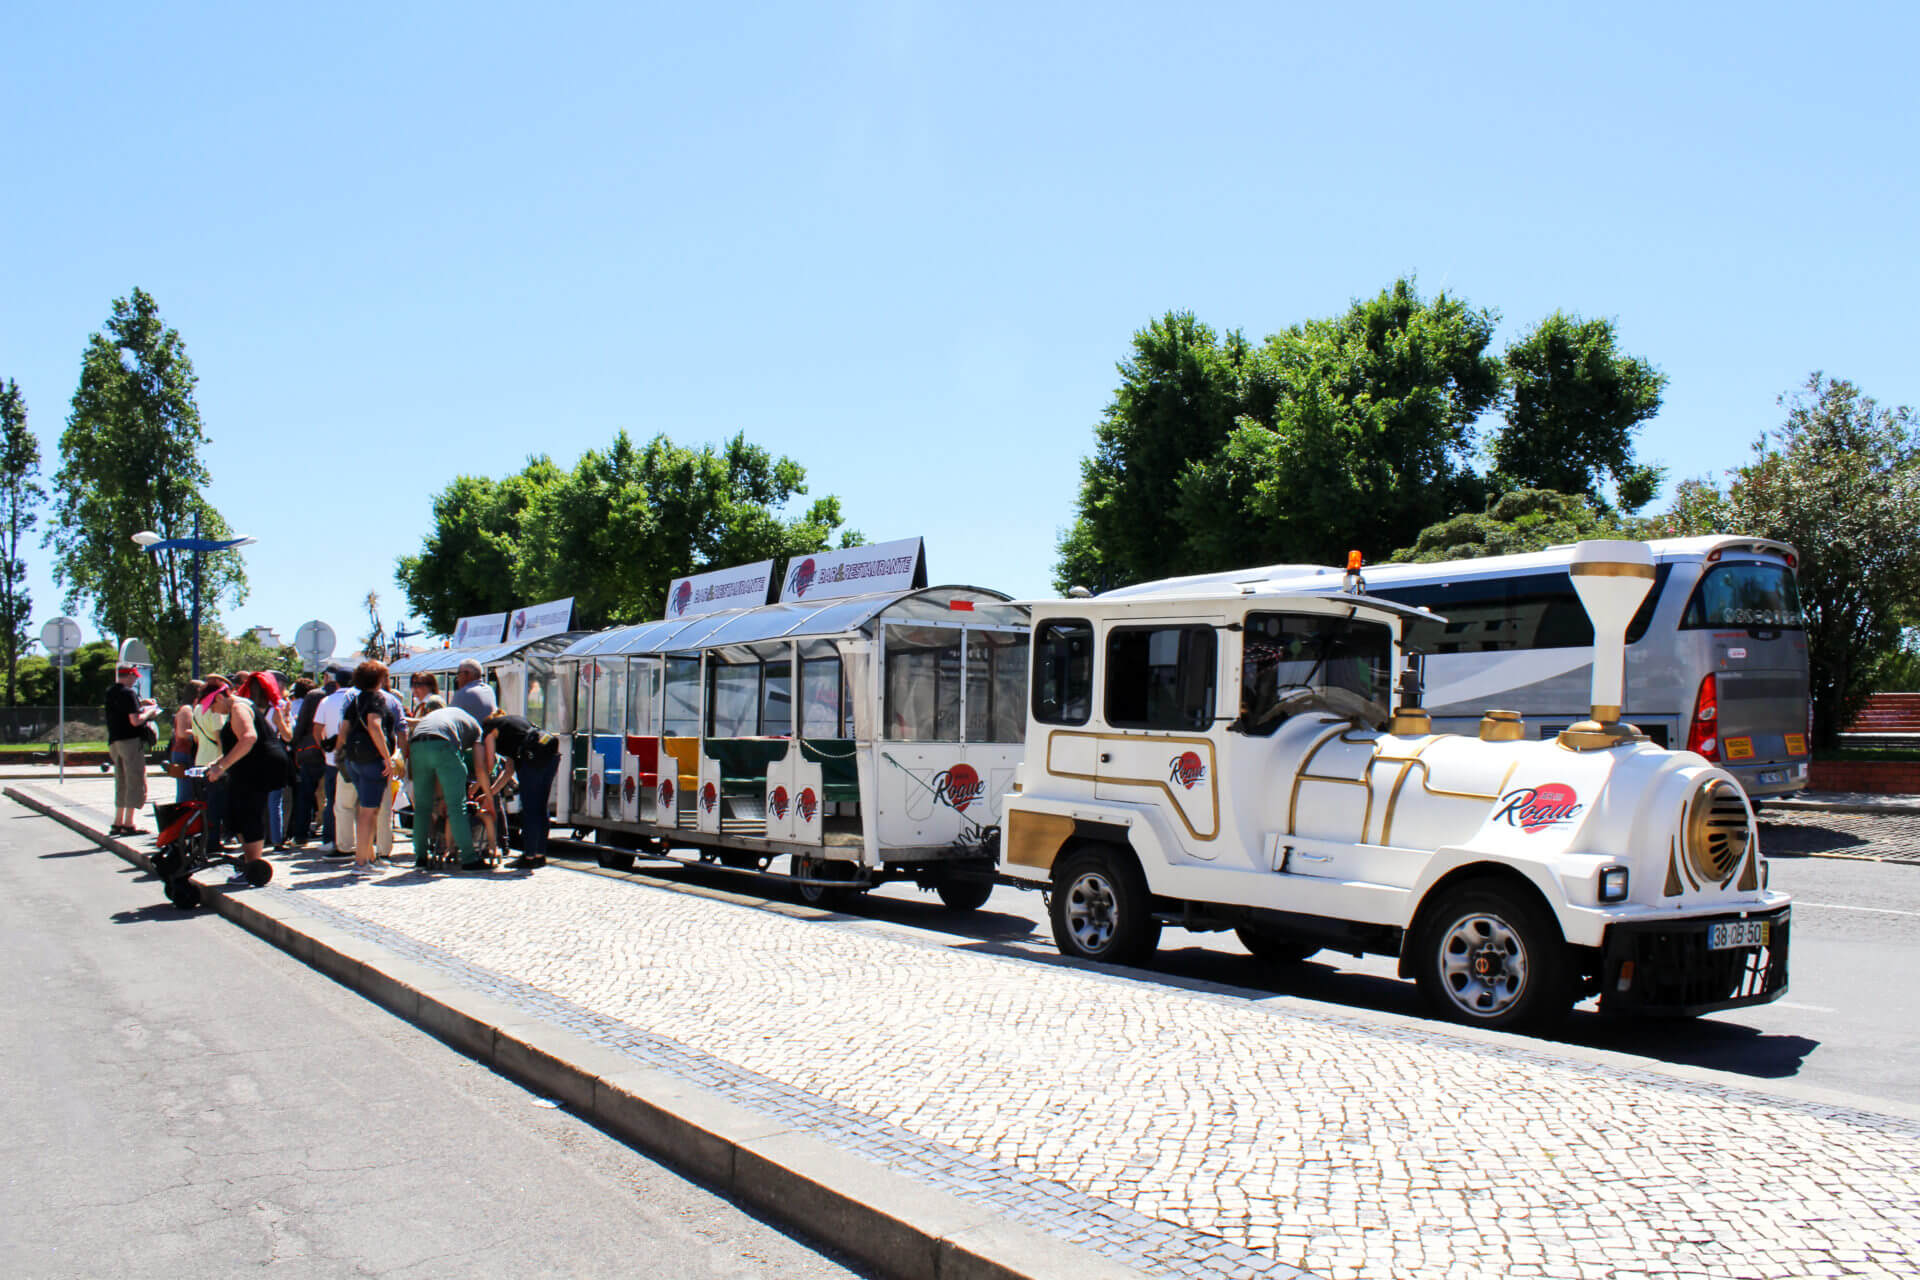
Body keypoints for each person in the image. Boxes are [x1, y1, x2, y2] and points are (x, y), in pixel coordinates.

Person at [201, 675, 287, 883]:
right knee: (239, 814)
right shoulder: (238, 707)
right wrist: (217, 763)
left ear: (220, 698)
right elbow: (239, 745)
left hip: (258, 769)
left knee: (249, 814)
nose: (212, 711)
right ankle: (249, 863)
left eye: (211, 706)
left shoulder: (238, 708)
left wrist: (221, 767)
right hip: (250, 769)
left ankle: (253, 867)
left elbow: (249, 738)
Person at [337, 660, 403, 873]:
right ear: (379, 679)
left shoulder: (354, 700)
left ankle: (369, 856)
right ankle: (361, 862)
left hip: (354, 759)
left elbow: (343, 729)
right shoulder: (376, 699)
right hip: (372, 761)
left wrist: (340, 753)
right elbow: (375, 726)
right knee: (369, 812)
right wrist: (387, 757)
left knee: (365, 809)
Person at [407, 702, 486, 871]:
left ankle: (420, 857)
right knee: (457, 807)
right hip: (443, 744)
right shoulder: (477, 728)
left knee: (422, 808)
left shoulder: (447, 715)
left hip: (417, 743)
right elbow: (480, 766)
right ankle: (469, 858)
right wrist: (487, 792)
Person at [480, 707, 560, 869]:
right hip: (550, 755)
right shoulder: (515, 724)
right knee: (540, 808)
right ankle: (540, 855)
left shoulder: (489, 729)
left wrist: (480, 787)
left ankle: (529, 857)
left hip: (532, 761)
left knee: (530, 809)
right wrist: (492, 793)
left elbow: (489, 765)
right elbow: (509, 770)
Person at [105, 664, 162, 836]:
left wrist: (140, 703)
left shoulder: (111, 692)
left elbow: (123, 709)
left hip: (114, 742)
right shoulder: (129, 693)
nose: (136, 679)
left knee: (121, 780)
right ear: (128, 675)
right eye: (134, 676)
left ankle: (118, 821)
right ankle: (129, 824)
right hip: (130, 741)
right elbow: (135, 720)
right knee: (134, 779)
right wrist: (150, 712)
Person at [314, 666, 356, 855]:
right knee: (356, 802)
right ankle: (355, 841)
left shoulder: (326, 701)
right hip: (355, 758)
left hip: (333, 759)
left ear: (336, 682)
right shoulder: (358, 698)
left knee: (332, 801)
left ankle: (331, 839)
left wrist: (324, 748)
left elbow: (317, 729)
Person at [189, 675, 231, 848]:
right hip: (216, 763)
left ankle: (205, 838)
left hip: (200, 759)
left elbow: (197, 739)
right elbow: (220, 737)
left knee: (205, 804)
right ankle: (213, 841)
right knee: (216, 804)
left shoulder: (197, 709)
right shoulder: (214, 709)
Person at [287, 679, 326, 846]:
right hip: (329, 751)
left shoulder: (311, 697)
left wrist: (295, 745)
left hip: (309, 751)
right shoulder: (328, 696)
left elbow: (301, 724)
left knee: (305, 795)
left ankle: (301, 834)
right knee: (329, 795)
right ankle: (329, 833)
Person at [168, 680, 205, 804]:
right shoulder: (186, 709)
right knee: (186, 791)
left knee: (192, 790)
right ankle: (183, 818)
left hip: (189, 752)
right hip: (183, 753)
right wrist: (203, 733)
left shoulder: (193, 708)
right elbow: (183, 732)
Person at [450, 658, 497, 723]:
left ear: (467, 674)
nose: (457, 679)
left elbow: (449, 718)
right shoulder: (489, 690)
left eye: (458, 673)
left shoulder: (464, 693)